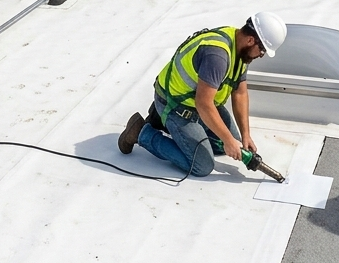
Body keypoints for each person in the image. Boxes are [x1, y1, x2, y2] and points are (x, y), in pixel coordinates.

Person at [118, 12, 288, 177]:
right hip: (178, 105)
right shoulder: (217, 56)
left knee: (234, 145)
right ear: (251, 40)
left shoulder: (239, 48)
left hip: (199, 104)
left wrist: (245, 135)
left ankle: (167, 124)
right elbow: (203, 104)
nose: (261, 55)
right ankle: (142, 132)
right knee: (203, 165)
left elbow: (240, 93)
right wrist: (228, 140)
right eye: (262, 51)